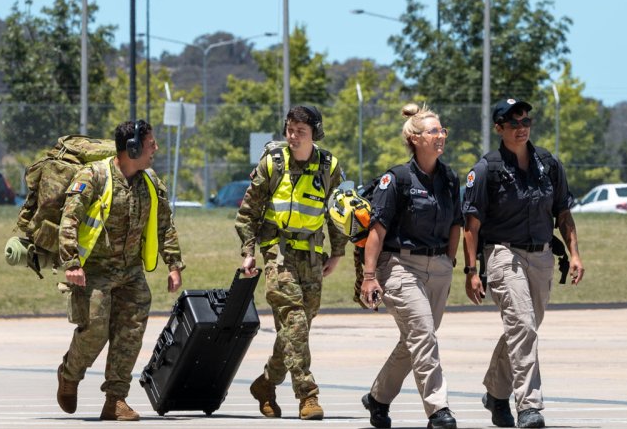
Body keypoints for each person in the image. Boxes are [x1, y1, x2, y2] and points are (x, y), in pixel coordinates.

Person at [462, 98, 584, 429]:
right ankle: (529, 405)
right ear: (499, 128)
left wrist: (574, 253)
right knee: (523, 326)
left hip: (542, 255)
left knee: (525, 328)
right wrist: (471, 271)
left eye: (526, 121)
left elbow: (563, 213)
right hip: (503, 254)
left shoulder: (549, 164)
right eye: (514, 123)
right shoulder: (486, 170)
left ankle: (495, 393)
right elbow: (471, 226)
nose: (522, 128)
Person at [55, 119, 184, 421]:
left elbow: (164, 224)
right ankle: (69, 374)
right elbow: (69, 220)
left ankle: (115, 399)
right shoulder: (94, 176)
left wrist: (174, 264)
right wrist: (72, 263)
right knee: (95, 330)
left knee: (130, 334)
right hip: (94, 270)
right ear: (133, 148)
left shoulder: (150, 182)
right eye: (151, 144)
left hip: (131, 272)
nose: (156, 149)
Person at [236, 105, 348, 421]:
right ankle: (308, 396)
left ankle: (266, 383)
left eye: (301, 131)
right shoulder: (272, 164)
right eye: (290, 130)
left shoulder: (329, 166)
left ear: (315, 134)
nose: (293, 136)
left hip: (312, 256)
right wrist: (248, 251)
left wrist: (337, 252)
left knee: (295, 329)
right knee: (295, 321)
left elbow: (338, 212)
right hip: (278, 254)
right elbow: (248, 212)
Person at [357, 103, 461, 429]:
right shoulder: (397, 179)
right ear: (415, 139)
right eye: (433, 131)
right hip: (400, 266)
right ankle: (438, 410)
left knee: (415, 339)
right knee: (424, 336)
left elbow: (456, 224)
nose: (440, 136)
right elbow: (377, 232)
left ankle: (378, 398)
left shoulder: (449, 178)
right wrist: (369, 276)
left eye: (442, 130)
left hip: (439, 266)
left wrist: (450, 262)